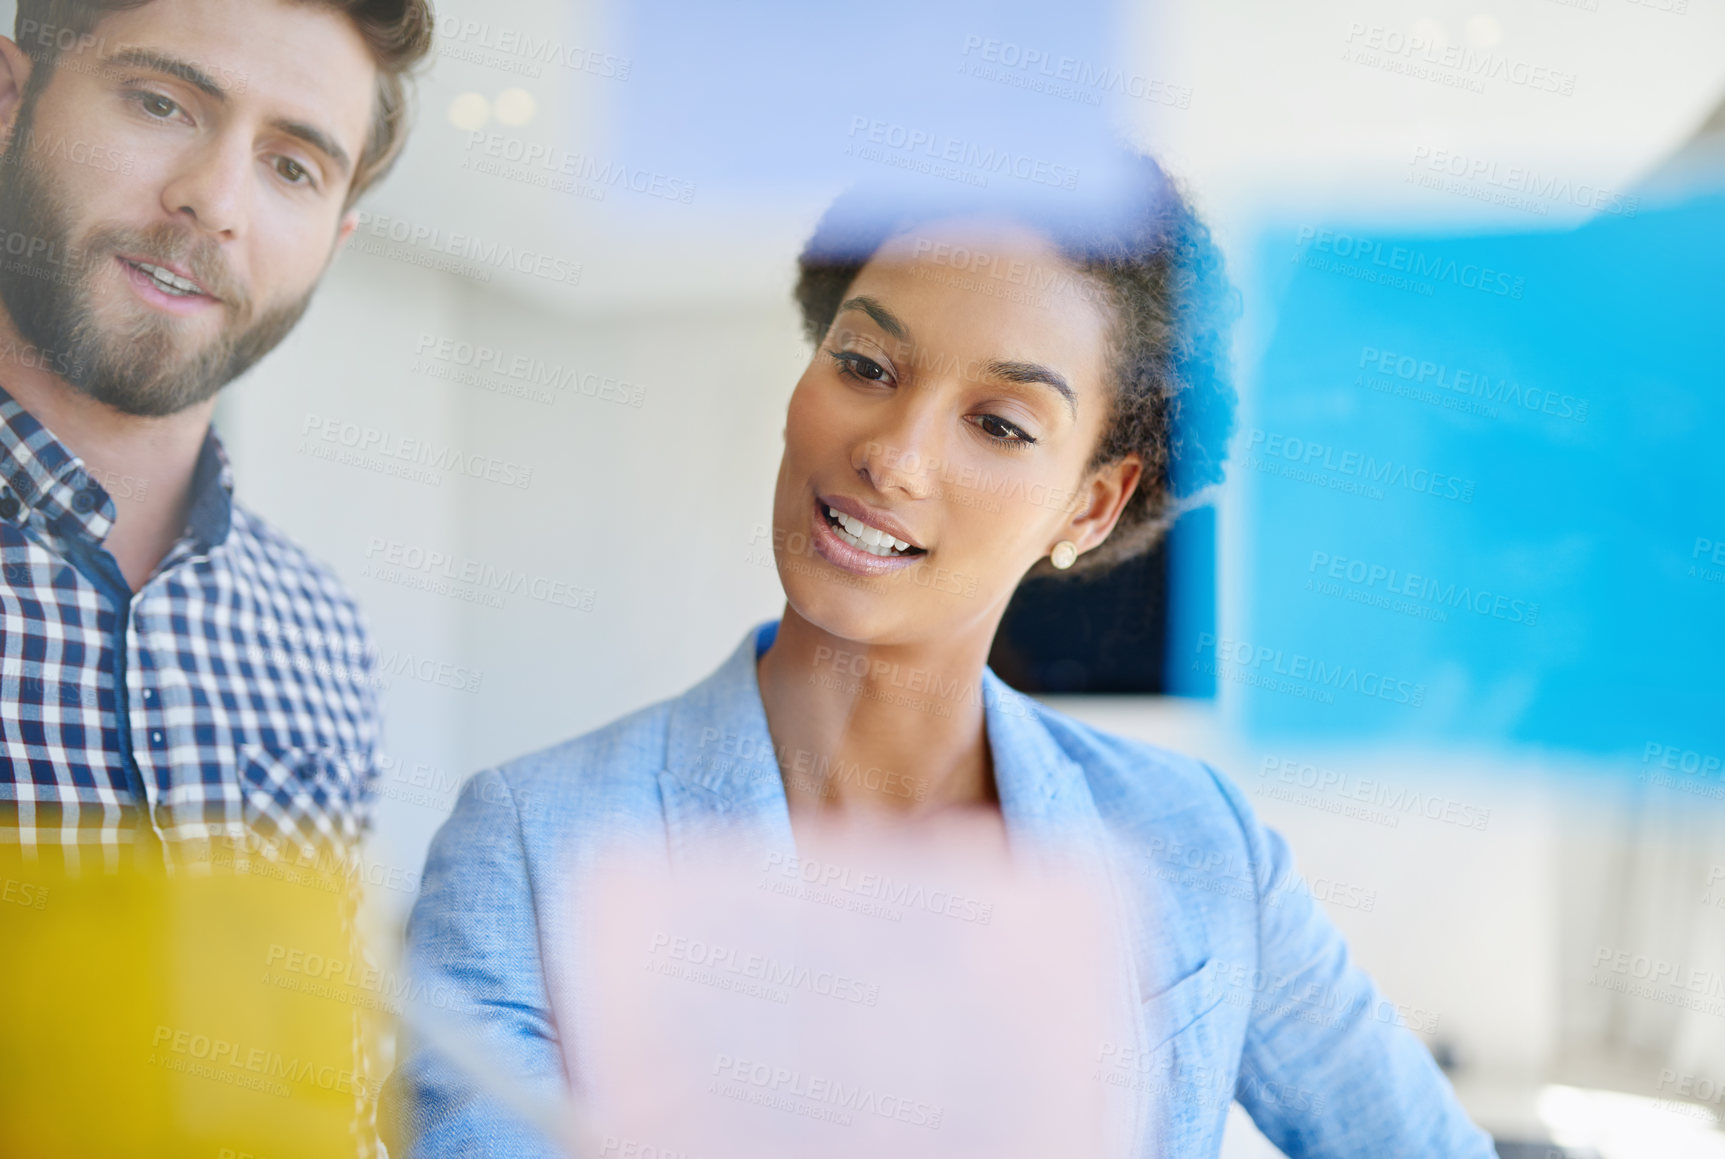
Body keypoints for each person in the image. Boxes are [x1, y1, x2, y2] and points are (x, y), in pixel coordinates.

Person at [383, 163, 1498, 1156]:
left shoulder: (1204, 842)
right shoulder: (530, 842)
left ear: (1092, 506)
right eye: (865, 363)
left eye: (1002, 424)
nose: (893, 455)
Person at [0, 0, 432, 869]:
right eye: (161, 104)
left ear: (333, 243)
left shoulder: (323, 637)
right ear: (10, 97)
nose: (215, 201)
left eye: (291, 167)